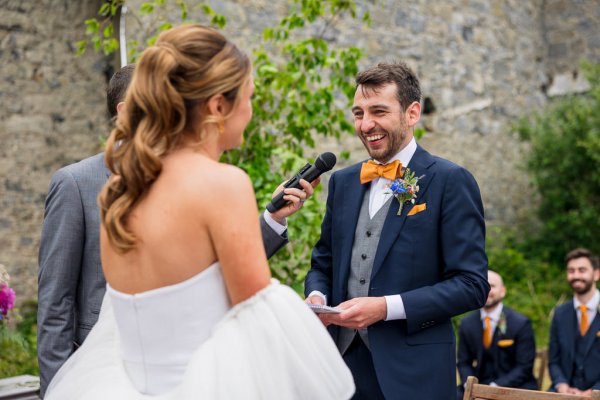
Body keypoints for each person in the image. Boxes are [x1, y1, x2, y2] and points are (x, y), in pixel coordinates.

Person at [44, 24, 354, 399]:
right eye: (249, 98)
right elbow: (256, 321)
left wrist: (271, 219)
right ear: (218, 106)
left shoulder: (120, 188)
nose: (251, 111)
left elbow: (188, 286)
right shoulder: (224, 184)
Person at [304, 62, 489, 399]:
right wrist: (317, 298)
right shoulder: (344, 182)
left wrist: (386, 307)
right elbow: (322, 263)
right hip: (340, 369)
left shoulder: (449, 181)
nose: (366, 124)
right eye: (358, 113)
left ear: (412, 113)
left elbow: (472, 285)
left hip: (415, 375)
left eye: (378, 111)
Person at [456, 270, 537, 398]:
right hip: (478, 385)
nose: (487, 290)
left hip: (514, 387)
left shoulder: (521, 323)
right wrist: (470, 386)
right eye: (483, 285)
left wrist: (493, 390)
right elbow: (463, 362)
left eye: (492, 286)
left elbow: (524, 366)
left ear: (503, 291)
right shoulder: (467, 323)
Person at [548, 248, 600, 396]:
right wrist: (562, 385)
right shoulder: (560, 313)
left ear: (596, 274)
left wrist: (594, 392)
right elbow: (554, 360)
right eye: (571, 271)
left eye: (582, 270)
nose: (576, 275)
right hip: (563, 393)